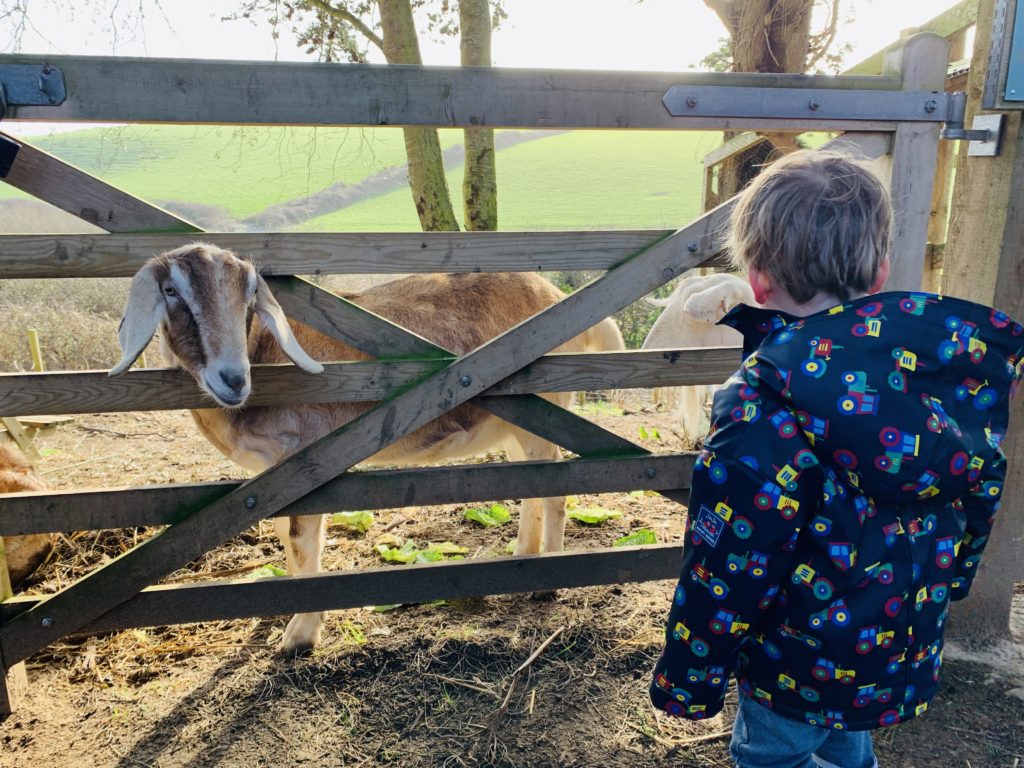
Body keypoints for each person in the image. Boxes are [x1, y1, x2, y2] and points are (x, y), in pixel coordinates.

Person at [649, 149, 1024, 768]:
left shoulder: (761, 401)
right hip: (894, 642)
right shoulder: (943, 379)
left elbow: (731, 556)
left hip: (791, 660)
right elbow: (980, 487)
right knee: (848, 745)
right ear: (878, 273)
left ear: (758, 277)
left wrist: (691, 674)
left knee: (774, 757)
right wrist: (954, 579)